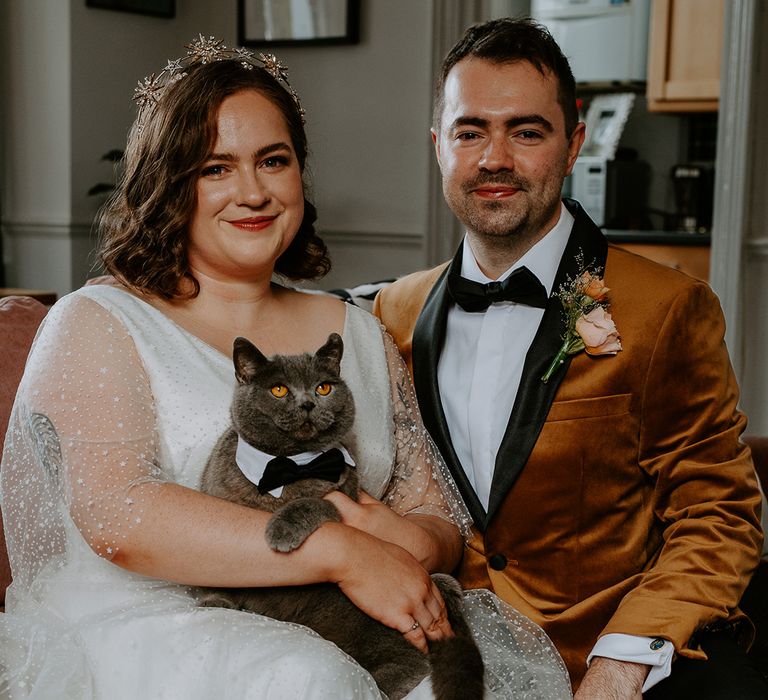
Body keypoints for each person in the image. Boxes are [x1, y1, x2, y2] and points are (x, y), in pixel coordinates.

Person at [0, 36, 572, 699]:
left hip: (341, 618)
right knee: (307, 680)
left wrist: (411, 547)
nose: (252, 192)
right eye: (215, 167)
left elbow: (437, 515)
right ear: (168, 182)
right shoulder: (98, 321)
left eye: (273, 160)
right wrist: (341, 551)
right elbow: (118, 517)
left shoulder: (356, 329)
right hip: (153, 629)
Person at [374, 17, 766, 699]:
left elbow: (719, 515)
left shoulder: (667, 307)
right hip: (443, 662)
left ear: (572, 144)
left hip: (607, 660)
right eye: (471, 132)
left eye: (526, 132)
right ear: (440, 147)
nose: (494, 157)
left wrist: (624, 661)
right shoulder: (391, 315)